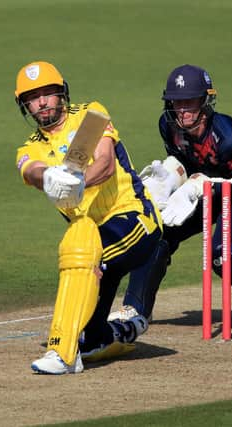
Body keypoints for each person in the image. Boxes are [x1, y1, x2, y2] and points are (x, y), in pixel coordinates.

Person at [109, 64, 232, 333]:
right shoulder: (167, 125)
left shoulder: (228, 137)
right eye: (177, 103)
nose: (183, 110)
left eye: (190, 102)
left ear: (205, 101)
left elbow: (230, 183)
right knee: (156, 233)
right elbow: (185, 160)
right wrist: (168, 178)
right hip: (204, 181)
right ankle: (136, 309)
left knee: (222, 253)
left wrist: (196, 186)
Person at [13, 61, 162, 374]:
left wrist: (80, 181)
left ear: (61, 93)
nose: (41, 102)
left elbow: (106, 162)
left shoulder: (90, 115)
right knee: (93, 342)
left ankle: (62, 353)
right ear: (24, 104)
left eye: (47, 93)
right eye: (32, 97)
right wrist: (49, 176)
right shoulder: (30, 148)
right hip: (94, 235)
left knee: (78, 253)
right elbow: (32, 170)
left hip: (135, 220)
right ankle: (123, 330)